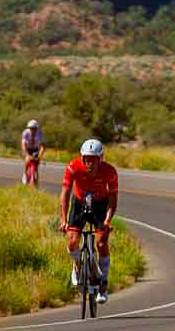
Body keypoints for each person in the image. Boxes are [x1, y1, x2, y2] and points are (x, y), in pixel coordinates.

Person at [58, 138, 118, 296]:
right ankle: (77, 265)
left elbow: (113, 200)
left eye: (94, 160)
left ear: (101, 159)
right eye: (87, 159)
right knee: (72, 241)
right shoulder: (73, 167)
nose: (90, 163)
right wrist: (63, 219)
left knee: (101, 242)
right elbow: (65, 194)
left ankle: (103, 282)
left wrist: (107, 221)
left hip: (100, 205)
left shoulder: (110, 172)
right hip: (79, 203)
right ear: (82, 158)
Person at [20, 119, 44, 186]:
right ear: (28, 128)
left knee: (36, 163)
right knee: (27, 160)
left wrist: (40, 156)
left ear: (37, 128)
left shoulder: (40, 133)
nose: (32, 130)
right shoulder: (25, 133)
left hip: (35, 149)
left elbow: (42, 146)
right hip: (27, 149)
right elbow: (23, 145)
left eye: (34, 129)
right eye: (31, 129)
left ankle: (36, 180)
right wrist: (27, 155)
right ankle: (25, 174)